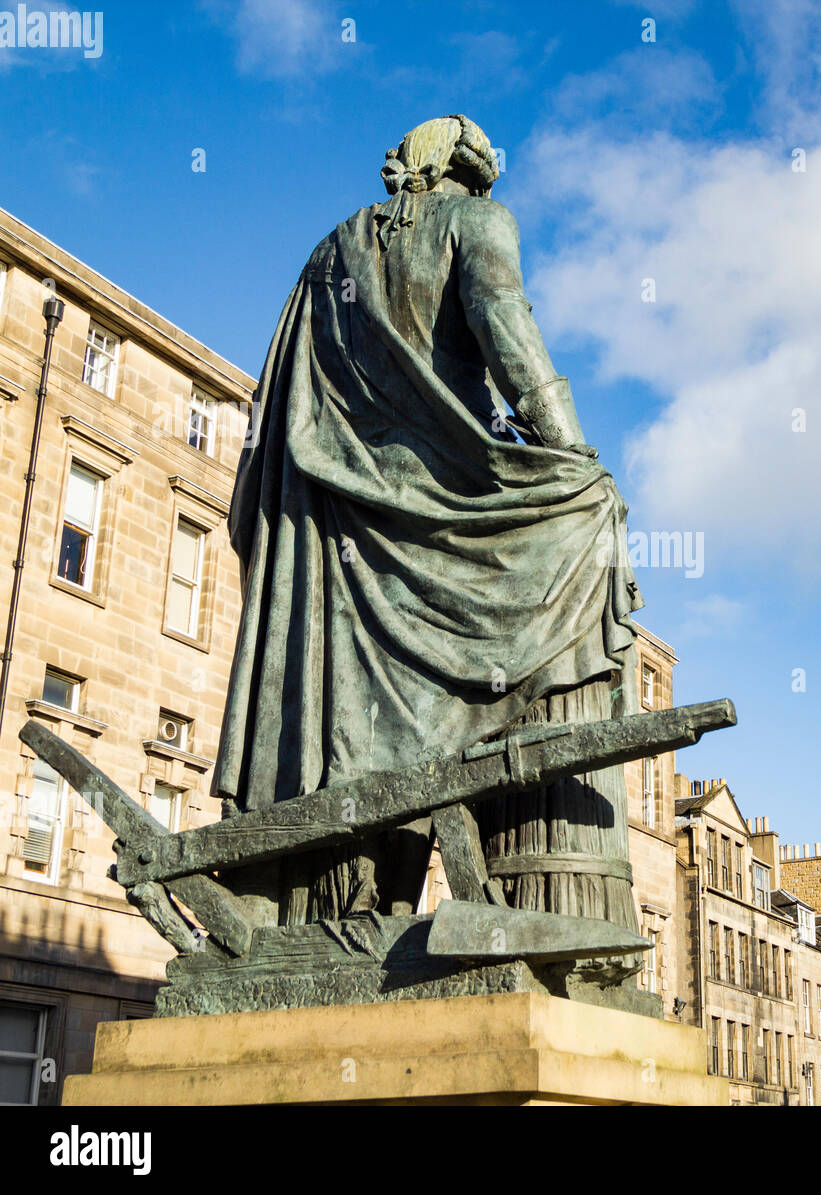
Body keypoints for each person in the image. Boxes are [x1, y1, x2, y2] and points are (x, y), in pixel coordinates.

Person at [213, 116, 642, 955]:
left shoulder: (326, 255)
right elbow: (507, 332)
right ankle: (548, 902)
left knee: (360, 725)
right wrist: (575, 455)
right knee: (588, 515)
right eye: (483, 181)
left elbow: (280, 418)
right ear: (468, 177)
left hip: (341, 526)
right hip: (440, 504)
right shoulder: (480, 223)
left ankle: (337, 903)